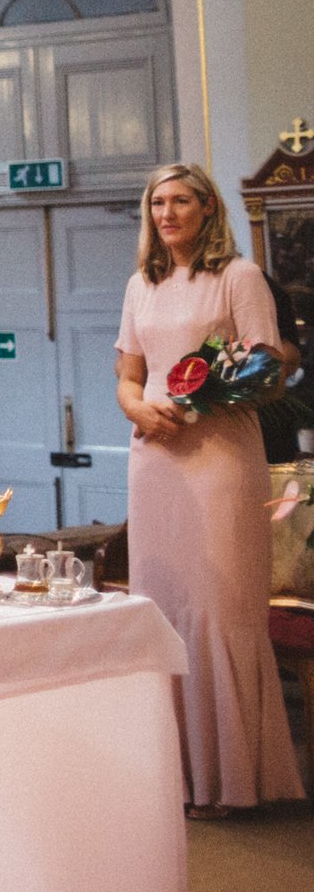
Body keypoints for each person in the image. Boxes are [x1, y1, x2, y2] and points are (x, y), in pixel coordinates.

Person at [114, 162, 304, 816]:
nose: (167, 213)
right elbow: (129, 374)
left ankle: (231, 778)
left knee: (219, 609)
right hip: (155, 461)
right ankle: (175, 773)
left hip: (220, 457)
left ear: (207, 208)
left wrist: (196, 404)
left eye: (180, 201)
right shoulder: (141, 283)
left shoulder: (240, 276)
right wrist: (138, 408)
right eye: (157, 202)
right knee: (161, 605)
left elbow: (268, 371)